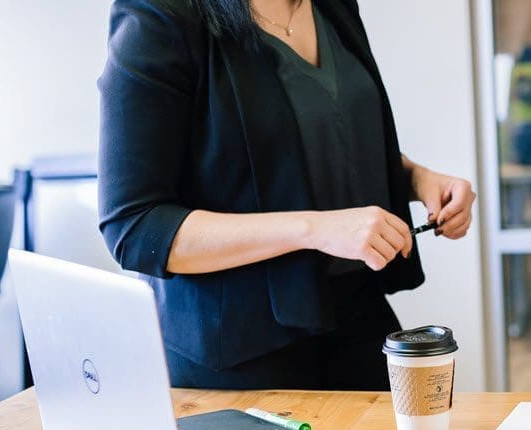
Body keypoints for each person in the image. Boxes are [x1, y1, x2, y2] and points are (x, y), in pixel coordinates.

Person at [98, 0, 476, 391]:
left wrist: (416, 178)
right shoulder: (159, 17)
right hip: (240, 352)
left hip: (356, 317)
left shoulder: (332, 6)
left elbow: (310, 138)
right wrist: (313, 228)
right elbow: (136, 226)